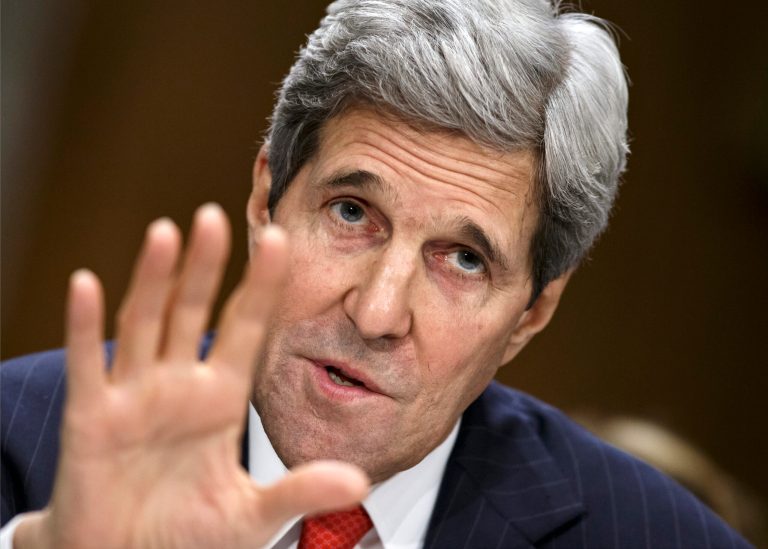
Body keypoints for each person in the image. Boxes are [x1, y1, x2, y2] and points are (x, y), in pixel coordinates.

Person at [0, 0, 752, 547]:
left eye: (463, 259)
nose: (377, 310)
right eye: (353, 213)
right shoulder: (19, 443)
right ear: (268, 199)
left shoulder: (654, 537)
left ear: (532, 313)